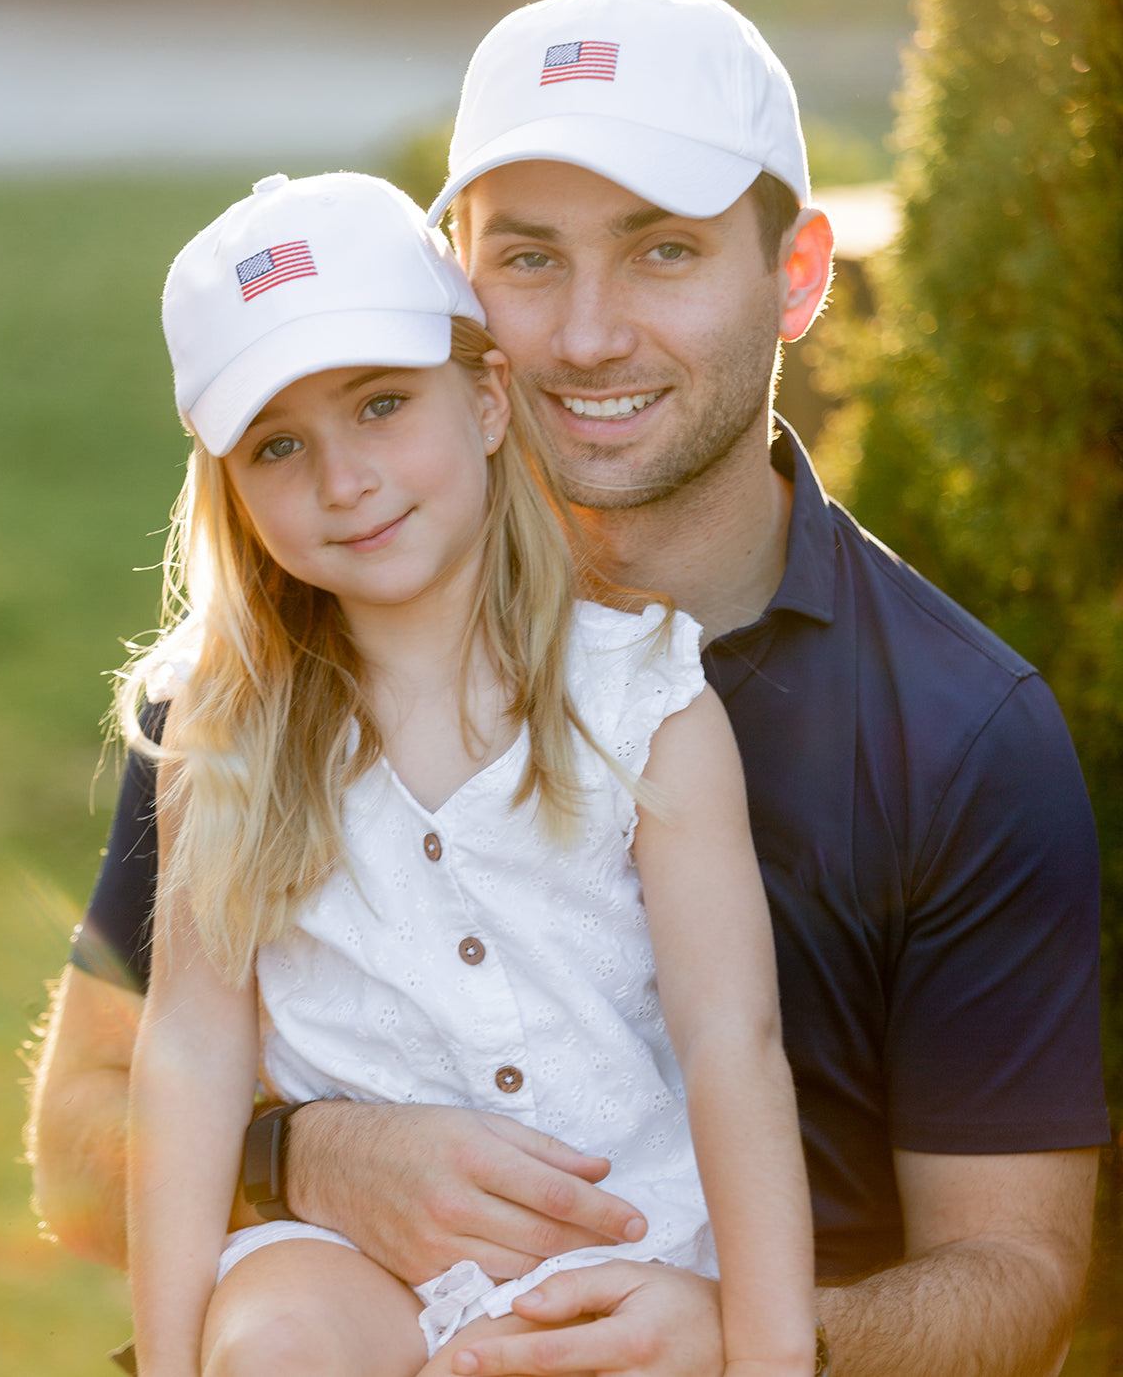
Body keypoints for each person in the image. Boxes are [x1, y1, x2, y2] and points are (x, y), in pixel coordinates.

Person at [28, 0, 1108, 1377]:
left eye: (663, 251)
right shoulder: (264, 674)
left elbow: (1021, 1276)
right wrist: (304, 1159)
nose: (588, 335)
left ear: (795, 276)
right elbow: (79, 1148)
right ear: (447, 278)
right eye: (528, 259)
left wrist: (747, 1339)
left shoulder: (963, 735)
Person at [121, 167, 816, 1377]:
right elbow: (188, 1049)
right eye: (279, 445)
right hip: (347, 1260)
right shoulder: (226, 732)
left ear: (487, 398)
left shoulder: (641, 701)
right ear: (228, 489)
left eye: (383, 405)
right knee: (277, 1344)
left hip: (618, 1250)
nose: (345, 480)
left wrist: (768, 1357)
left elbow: (732, 1044)